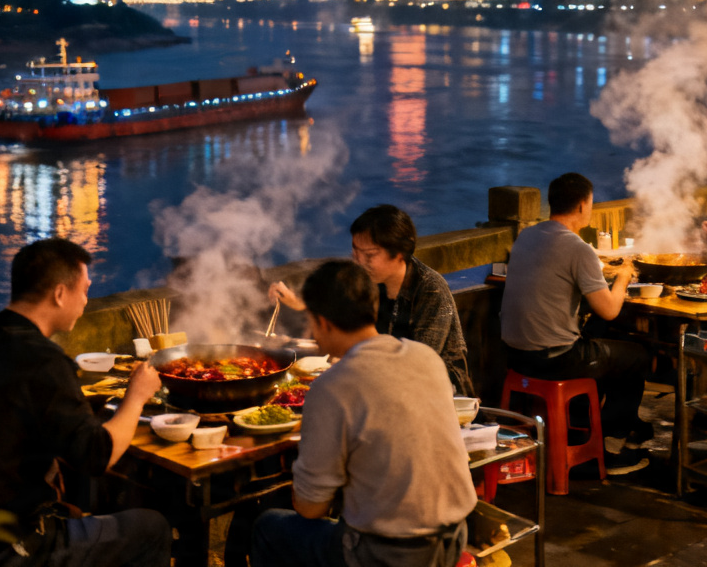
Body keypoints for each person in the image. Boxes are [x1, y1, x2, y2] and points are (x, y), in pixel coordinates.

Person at [0, 238, 170, 567]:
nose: (85, 301)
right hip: (4, 549)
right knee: (153, 529)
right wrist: (136, 395)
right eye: (84, 290)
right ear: (60, 294)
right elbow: (97, 456)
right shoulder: (44, 361)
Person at [251, 259, 477, 567]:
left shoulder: (332, 386)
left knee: (269, 526)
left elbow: (310, 508)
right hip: (454, 537)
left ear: (323, 323)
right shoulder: (425, 357)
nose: (312, 333)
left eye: (311, 323)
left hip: (387, 553)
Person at [499, 172, 653, 475]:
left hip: (515, 355)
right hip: (554, 359)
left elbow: (569, 264)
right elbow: (609, 309)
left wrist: (602, 267)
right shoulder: (577, 248)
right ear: (584, 205)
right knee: (637, 356)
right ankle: (609, 442)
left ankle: (584, 428)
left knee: (598, 336)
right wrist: (622, 277)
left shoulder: (528, 236)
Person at [270, 204, 472, 395]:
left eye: (369, 255)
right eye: (355, 252)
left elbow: (421, 361)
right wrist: (300, 303)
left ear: (399, 254)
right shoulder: (371, 281)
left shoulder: (430, 288)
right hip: (382, 380)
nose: (359, 262)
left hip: (439, 390)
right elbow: (344, 316)